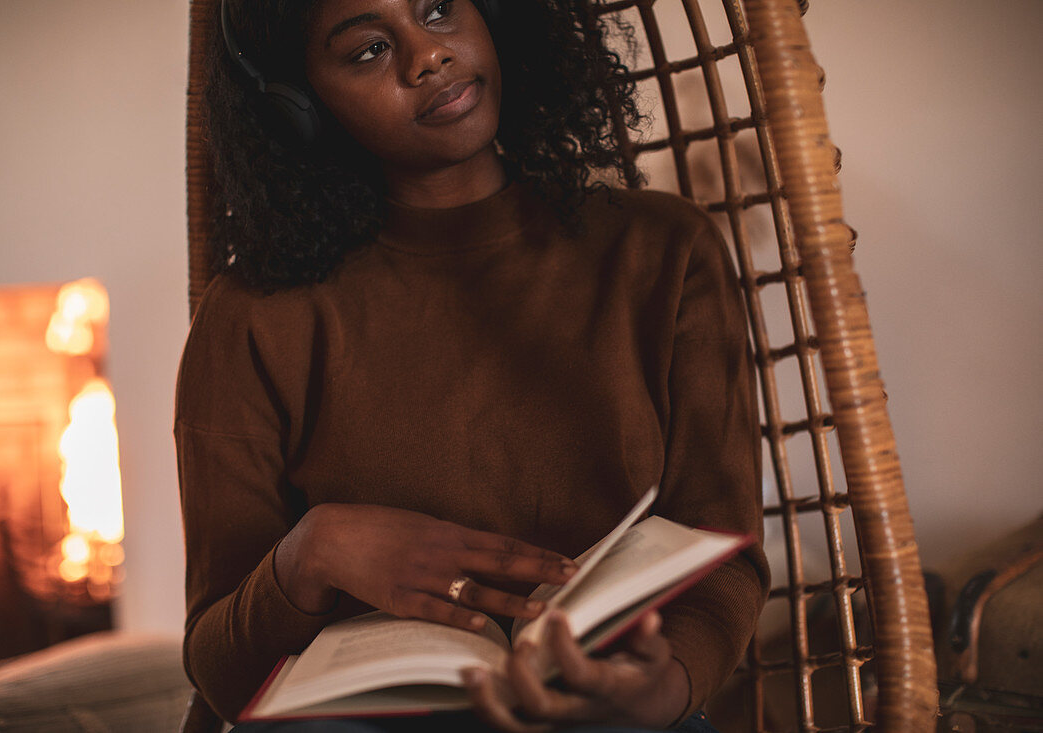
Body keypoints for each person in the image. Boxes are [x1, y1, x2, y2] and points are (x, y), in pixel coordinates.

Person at [175, 0, 769, 731]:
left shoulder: (665, 253)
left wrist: (665, 683)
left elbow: (724, 550)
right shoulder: (251, 317)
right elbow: (218, 667)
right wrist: (308, 555)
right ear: (298, 103)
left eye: (437, 8)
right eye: (367, 50)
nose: (428, 55)